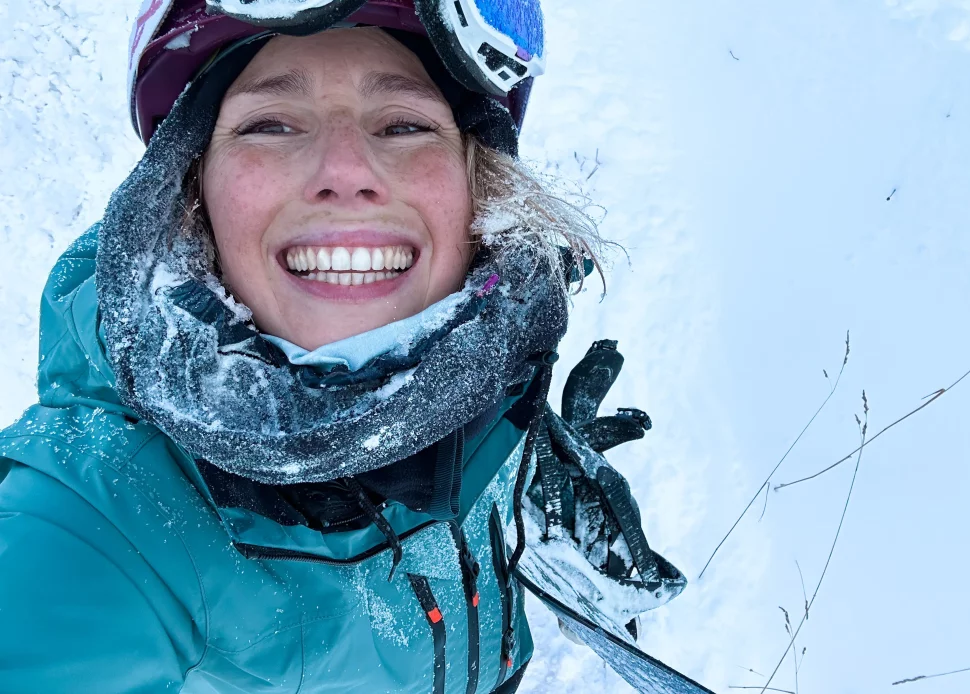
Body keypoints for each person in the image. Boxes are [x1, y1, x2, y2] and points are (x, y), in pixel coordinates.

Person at [0, 1, 685, 692]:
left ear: (476, 188)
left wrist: (511, 468)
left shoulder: (495, 350)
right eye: (270, 124)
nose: (346, 168)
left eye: (405, 125)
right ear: (188, 187)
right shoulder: (108, 517)